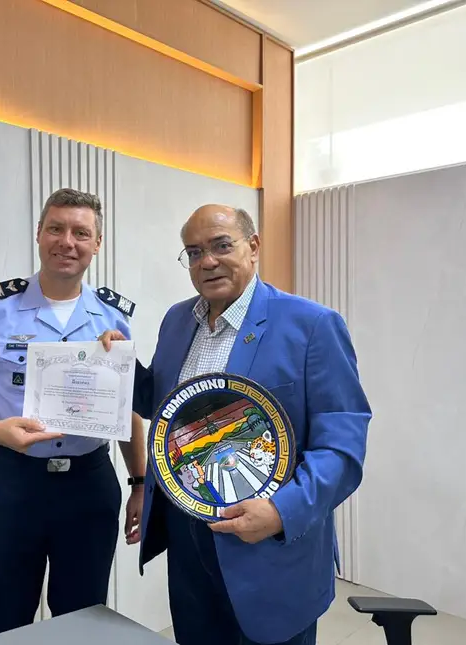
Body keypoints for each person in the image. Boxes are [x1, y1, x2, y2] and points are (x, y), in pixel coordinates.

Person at [99, 204, 371, 645]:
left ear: (253, 246)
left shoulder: (312, 325)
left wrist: (282, 512)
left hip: (271, 545)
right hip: (188, 537)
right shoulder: (177, 320)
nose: (207, 261)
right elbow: (165, 406)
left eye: (222, 245)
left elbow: (342, 447)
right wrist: (120, 364)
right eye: (194, 252)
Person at [0, 188, 147, 639]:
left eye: (80, 233)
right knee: (2, 622)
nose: (67, 242)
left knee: (83, 624)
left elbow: (125, 409)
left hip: (89, 486)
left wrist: (140, 483)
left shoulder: (113, 317)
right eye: (56, 228)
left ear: (97, 243)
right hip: (12, 483)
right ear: (38, 233)